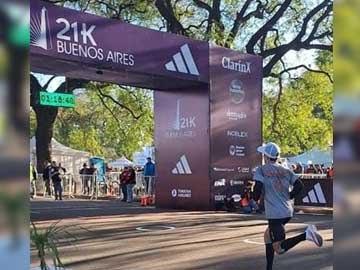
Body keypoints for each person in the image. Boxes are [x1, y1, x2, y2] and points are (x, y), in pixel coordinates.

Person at [253, 142, 323, 270]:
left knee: (279, 248)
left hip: (275, 214)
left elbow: (257, 189)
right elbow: (300, 185)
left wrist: (254, 199)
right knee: (267, 236)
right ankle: (269, 268)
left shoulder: (261, 170)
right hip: (286, 210)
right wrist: (289, 196)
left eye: (264, 154)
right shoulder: (285, 170)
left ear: (267, 157)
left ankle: (306, 235)